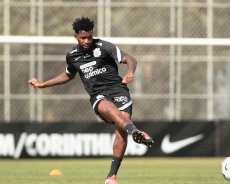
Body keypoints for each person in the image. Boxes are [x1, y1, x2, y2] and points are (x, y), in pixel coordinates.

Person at [28, 17, 154, 184]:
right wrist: (43, 84)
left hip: (119, 90)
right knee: (111, 111)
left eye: (89, 37)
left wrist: (130, 72)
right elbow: (68, 75)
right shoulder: (73, 56)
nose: (87, 40)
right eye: (83, 38)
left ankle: (111, 177)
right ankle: (135, 131)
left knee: (120, 131)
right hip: (98, 95)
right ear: (76, 37)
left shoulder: (104, 46)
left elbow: (130, 59)